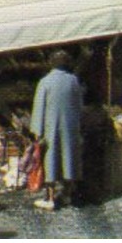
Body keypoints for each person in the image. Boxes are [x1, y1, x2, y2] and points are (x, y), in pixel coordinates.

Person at [29, 49, 84, 211]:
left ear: (51, 63)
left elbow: (39, 108)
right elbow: (79, 106)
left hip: (50, 128)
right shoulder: (74, 81)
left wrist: (37, 131)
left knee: (49, 161)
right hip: (70, 126)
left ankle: (50, 198)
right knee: (69, 159)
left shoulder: (45, 82)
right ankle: (68, 194)